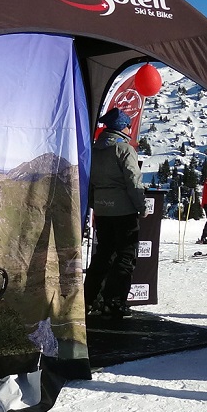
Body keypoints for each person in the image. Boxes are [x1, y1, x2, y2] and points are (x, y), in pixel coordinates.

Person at [86, 107, 148, 319]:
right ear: (123, 127)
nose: (131, 129)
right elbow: (133, 180)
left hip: (102, 210)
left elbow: (89, 182)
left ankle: (88, 299)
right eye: (129, 125)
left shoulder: (94, 149)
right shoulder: (124, 149)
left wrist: (95, 203)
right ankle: (114, 302)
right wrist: (141, 206)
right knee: (125, 256)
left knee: (103, 255)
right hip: (123, 211)